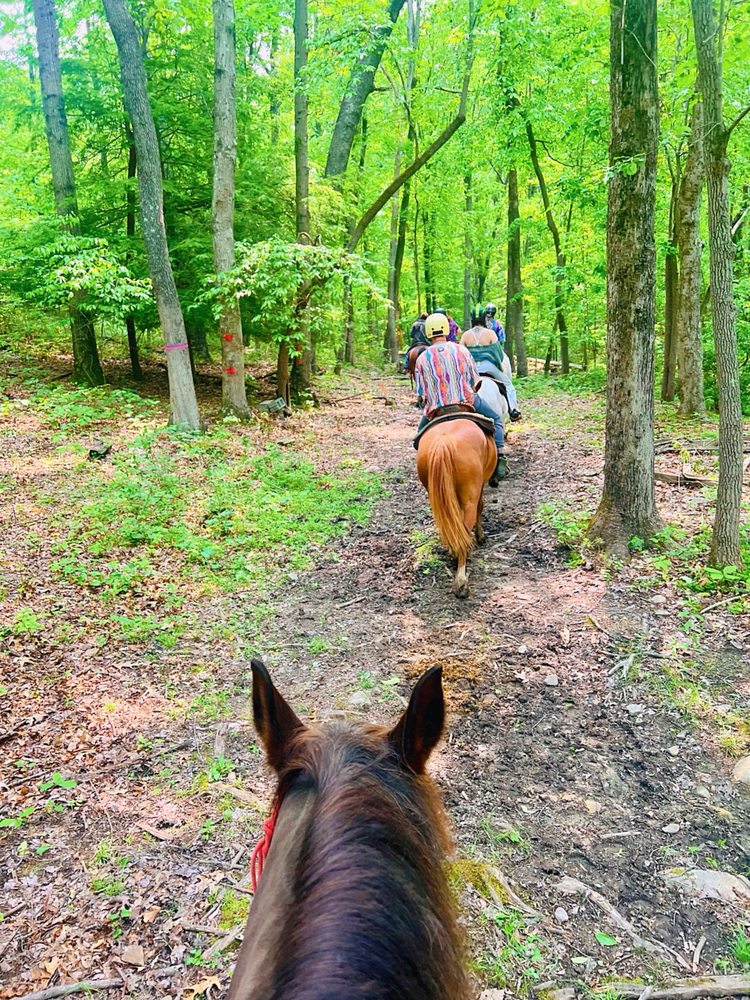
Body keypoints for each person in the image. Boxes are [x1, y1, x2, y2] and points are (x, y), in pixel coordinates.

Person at [414, 312, 508, 484]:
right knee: (495, 418)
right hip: (465, 402)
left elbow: (421, 394)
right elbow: (475, 382)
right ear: (446, 329)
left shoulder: (421, 359)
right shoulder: (461, 350)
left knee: (417, 441)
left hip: (436, 409)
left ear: (428, 333)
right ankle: (500, 458)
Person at [461, 311, 521, 420]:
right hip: (489, 367)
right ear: (484, 318)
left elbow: (459, 354)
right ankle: (513, 410)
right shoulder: (490, 333)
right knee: (508, 385)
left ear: (472, 320)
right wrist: (498, 365)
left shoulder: (465, 335)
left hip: (471, 369)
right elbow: (498, 353)